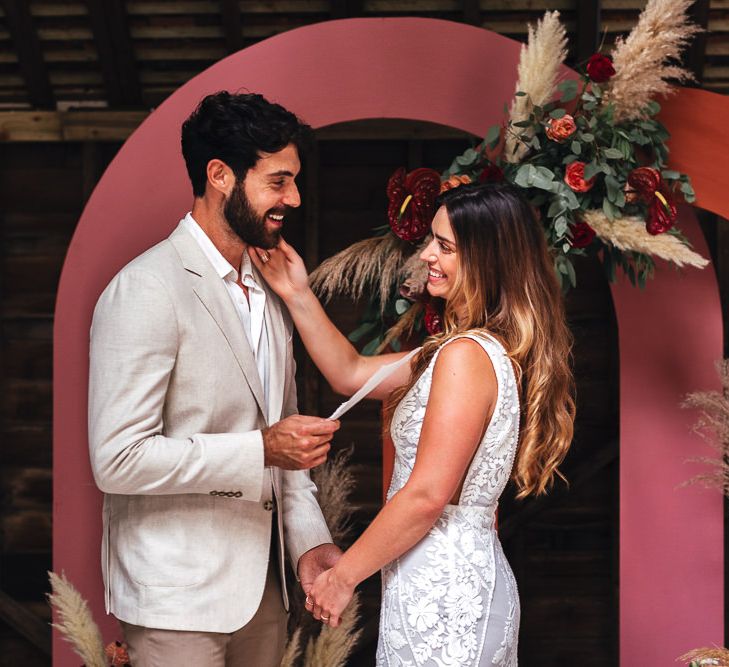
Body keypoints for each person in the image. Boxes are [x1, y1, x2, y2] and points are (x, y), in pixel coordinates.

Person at [249, 181, 575, 665]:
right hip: (440, 581)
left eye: (444, 246)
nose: (425, 256)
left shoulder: (465, 357)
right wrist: (297, 292)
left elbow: (426, 495)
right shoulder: (463, 349)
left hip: (444, 595)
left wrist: (341, 579)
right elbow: (352, 373)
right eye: (430, 241)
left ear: (486, 258)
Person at [88, 91, 342, 667]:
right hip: (175, 602)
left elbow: (289, 452)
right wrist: (260, 449)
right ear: (220, 175)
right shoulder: (146, 288)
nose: (294, 199)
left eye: (294, 181)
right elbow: (117, 458)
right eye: (278, 181)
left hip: (265, 598)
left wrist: (310, 545)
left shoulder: (273, 291)